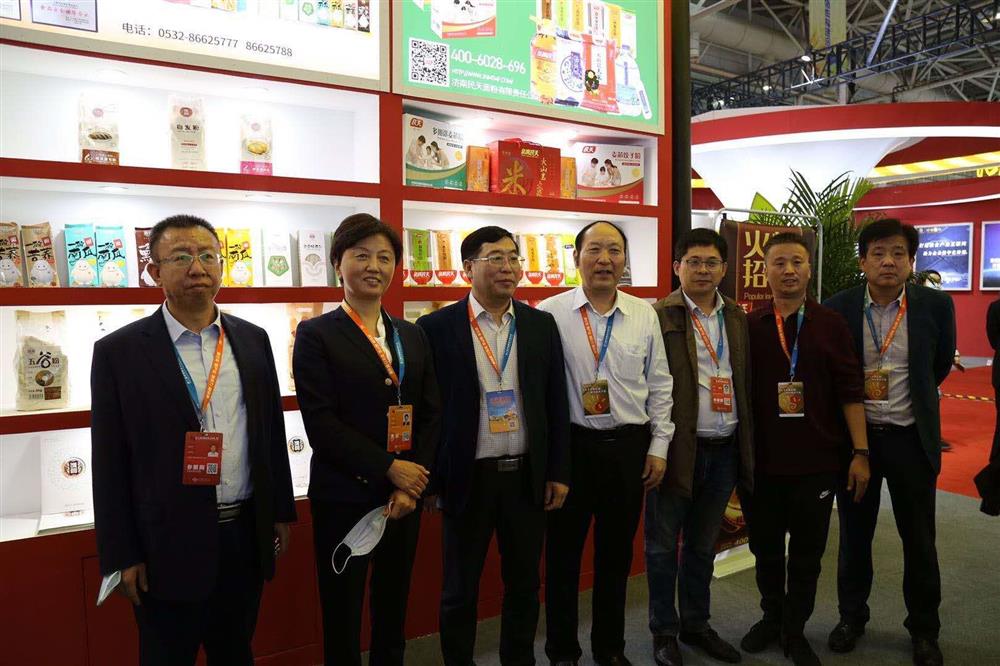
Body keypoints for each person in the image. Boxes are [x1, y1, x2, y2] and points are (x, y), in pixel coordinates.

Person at [91, 214, 296, 666]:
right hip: (164, 544)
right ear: (154, 271)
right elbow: (108, 461)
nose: (197, 268)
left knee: (236, 651)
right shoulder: (118, 352)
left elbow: (269, 432)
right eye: (181, 257)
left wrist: (280, 510)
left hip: (244, 535)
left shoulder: (253, 339)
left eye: (207, 255)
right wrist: (120, 553)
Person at [417, 225, 571, 666]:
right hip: (467, 478)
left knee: (524, 584)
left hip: (525, 477)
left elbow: (555, 402)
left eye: (513, 258)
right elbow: (428, 410)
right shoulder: (435, 327)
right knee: (459, 589)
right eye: (495, 258)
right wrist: (431, 478)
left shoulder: (539, 324)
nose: (508, 267)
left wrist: (558, 471)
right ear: (468, 267)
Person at [292, 214, 441, 666]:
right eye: (361, 256)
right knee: (342, 609)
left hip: (404, 498)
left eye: (384, 257)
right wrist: (391, 469)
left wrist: (413, 483)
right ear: (338, 263)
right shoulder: (315, 334)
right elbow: (322, 424)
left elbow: (431, 413)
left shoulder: (412, 333)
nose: (374, 266)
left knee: (393, 606)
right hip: (345, 495)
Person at [538, 221, 674, 666]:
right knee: (562, 558)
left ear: (624, 259)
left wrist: (658, 446)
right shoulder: (549, 312)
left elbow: (660, 383)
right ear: (576, 257)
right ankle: (562, 652)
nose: (604, 260)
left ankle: (610, 649)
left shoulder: (643, 314)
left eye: (614, 250)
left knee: (615, 559)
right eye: (594, 249)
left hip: (628, 449)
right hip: (571, 451)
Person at [825, 219, 956, 666]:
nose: (888, 261)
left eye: (899, 253)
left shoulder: (936, 306)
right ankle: (851, 618)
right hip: (857, 444)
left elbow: (937, 367)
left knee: (919, 540)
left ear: (911, 261)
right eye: (878, 253)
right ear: (862, 261)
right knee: (854, 536)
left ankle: (924, 630)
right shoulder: (839, 307)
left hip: (910, 440)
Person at [742, 232, 870, 666]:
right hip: (762, 464)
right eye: (779, 262)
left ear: (809, 269)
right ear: (765, 271)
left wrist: (861, 452)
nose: (789, 270)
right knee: (765, 550)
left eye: (797, 262)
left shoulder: (830, 324)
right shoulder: (750, 326)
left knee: (807, 555)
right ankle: (771, 616)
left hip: (817, 463)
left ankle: (794, 630)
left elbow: (851, 390)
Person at [645, 228, 752, 666]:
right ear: (677, 267)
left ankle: (696, 624)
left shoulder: (737, 317)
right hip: (676, 451)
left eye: (711, 263)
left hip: (725, 449)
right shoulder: (657, 316)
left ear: (724, 269)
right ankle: (663, 632)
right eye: (694, 262)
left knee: (703, 547)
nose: (703, 270)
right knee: (661, 547)